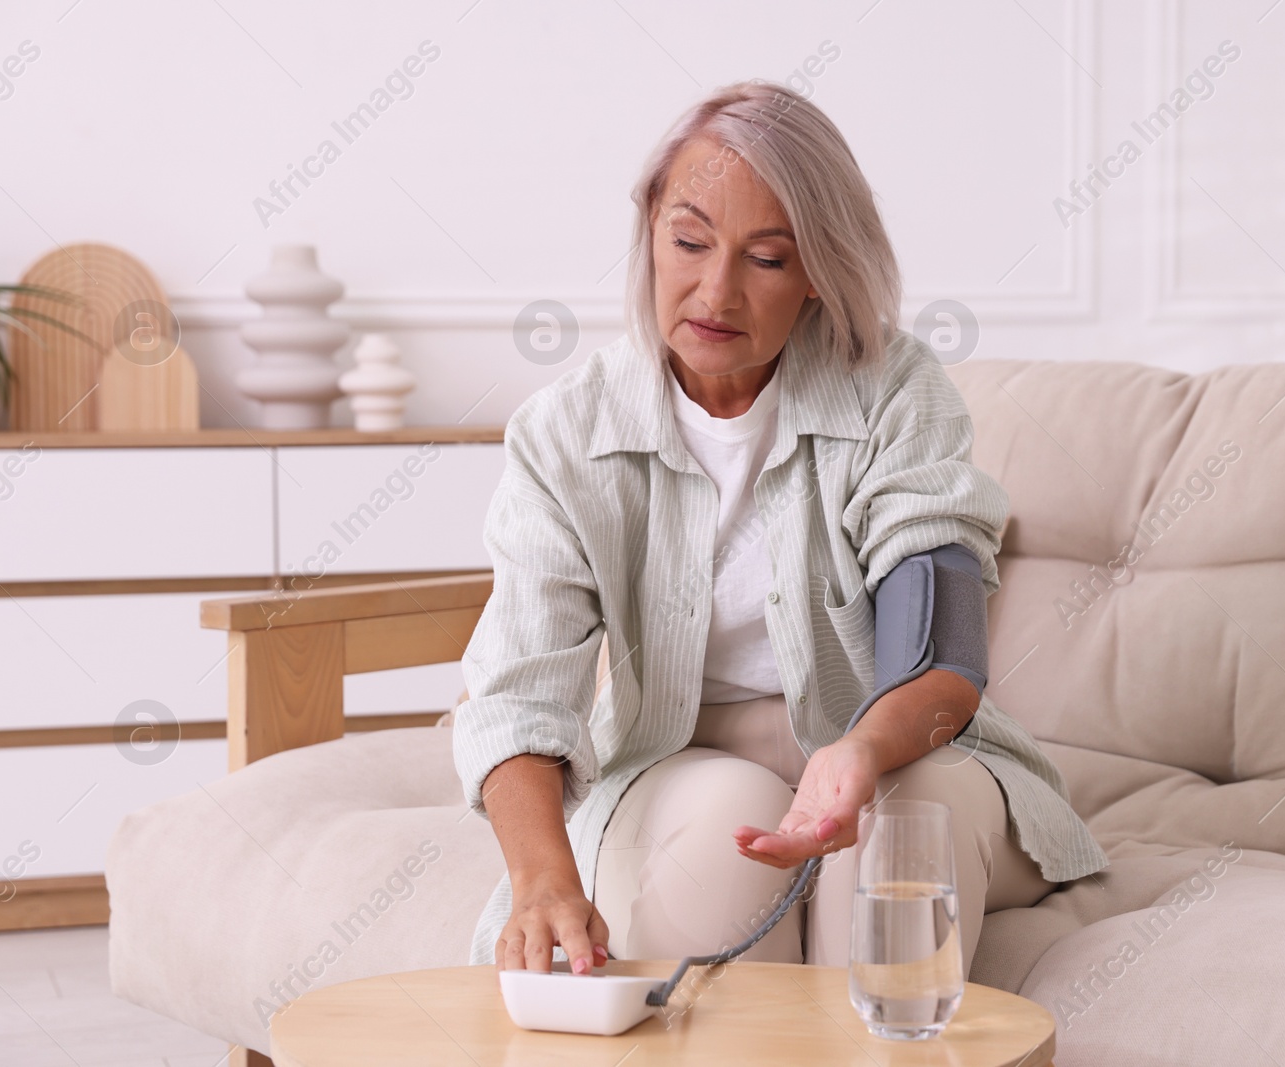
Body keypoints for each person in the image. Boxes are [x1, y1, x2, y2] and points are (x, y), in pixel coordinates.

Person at [453, 79, 1107, 979]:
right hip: (677, 749)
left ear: (816, 274)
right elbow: (520, 693)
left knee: (895, 836)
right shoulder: (565, 432)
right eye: (688, 241)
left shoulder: (896, 391)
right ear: (650, 225)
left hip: (894, 733)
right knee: (721, 840)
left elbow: (942, 649)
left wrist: (864, 751)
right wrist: (541, 878)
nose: (714, 291)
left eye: (766, 258)